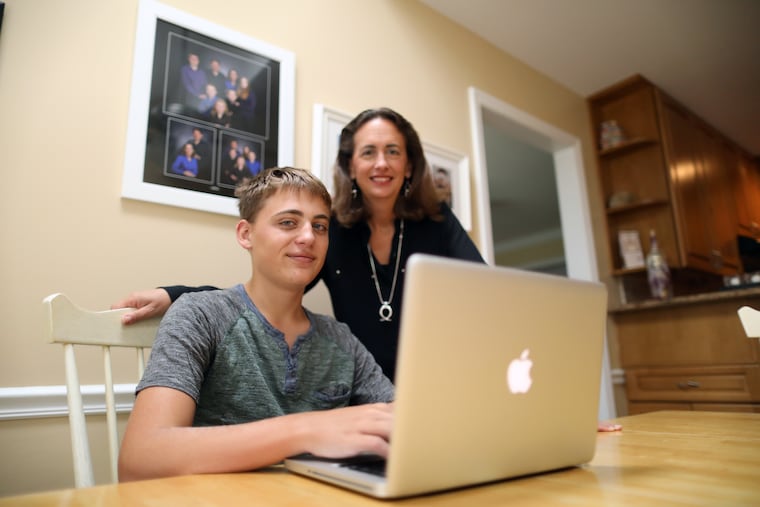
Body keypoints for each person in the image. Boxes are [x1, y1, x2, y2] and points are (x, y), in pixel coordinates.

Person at [115, 108, 483, 382]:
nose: (381, 163)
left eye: (393, 151)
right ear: (351, 167)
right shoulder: (330, 231)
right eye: (369, 152)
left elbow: (488, 295)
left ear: (409, 165)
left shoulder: (438, 221)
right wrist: (176, 295)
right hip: (369, 391)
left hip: (442, 380)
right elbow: (267, 292)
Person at [118, 167, 394, 481]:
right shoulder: (200, 315)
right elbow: (140, 459)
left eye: (320, 226)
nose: (308, 237)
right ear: (245, 234)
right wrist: (304, 430)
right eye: (288, 222)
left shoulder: (341, 339)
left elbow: (402, 421)